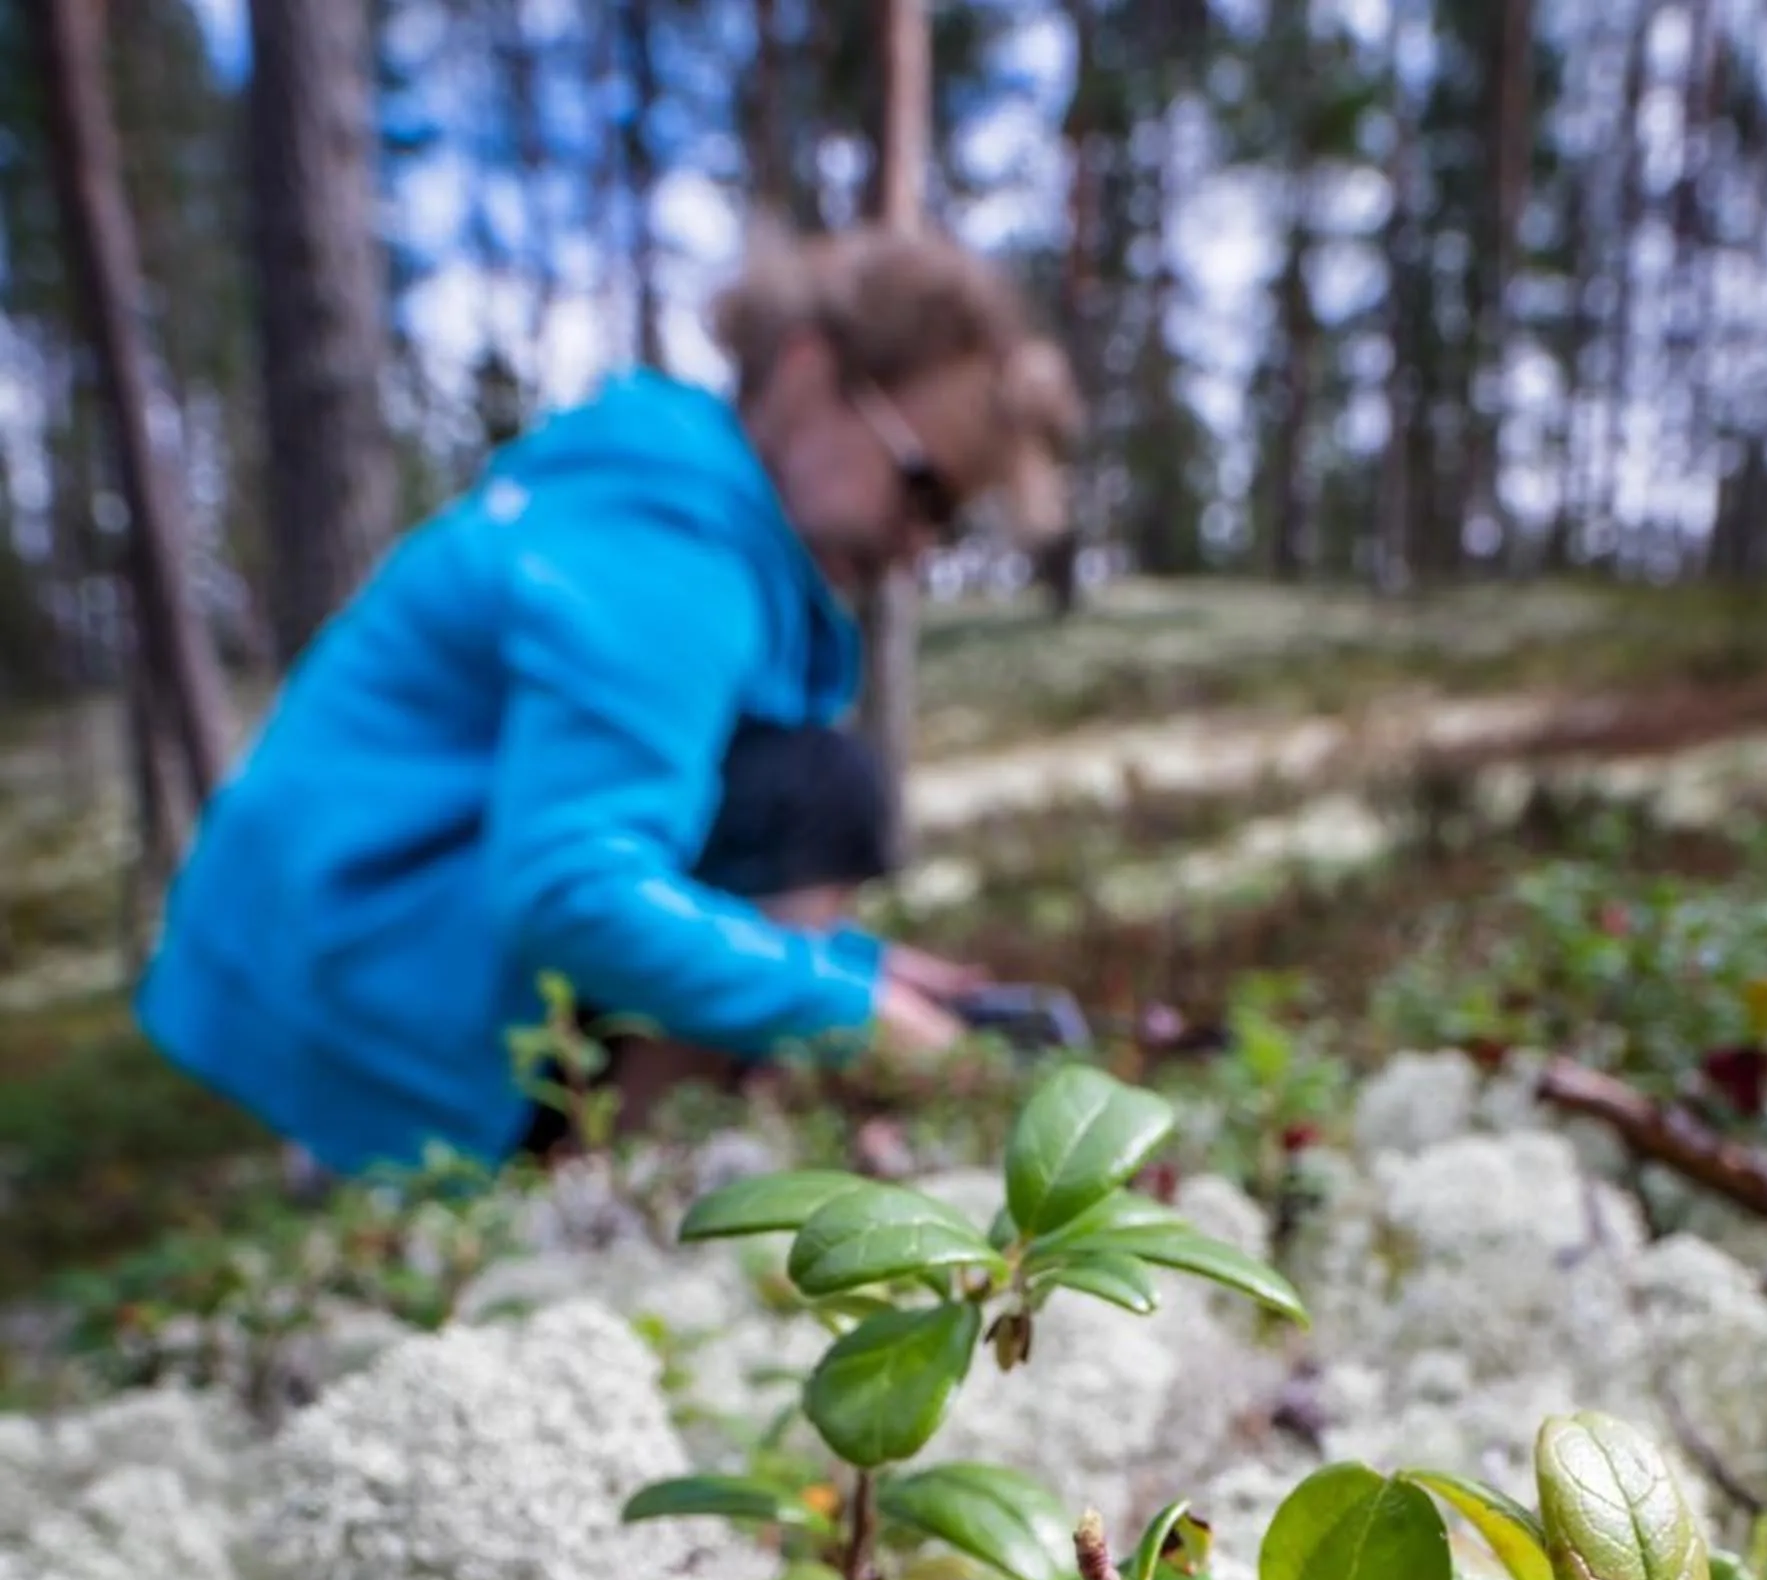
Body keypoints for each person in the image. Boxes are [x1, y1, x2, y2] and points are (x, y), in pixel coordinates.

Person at [136, 226, 1081, 1176]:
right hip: (366, 971)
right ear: (809, 371)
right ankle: (614, 1193)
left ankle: (613, 1171)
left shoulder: (663, 503)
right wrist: (854, 1014)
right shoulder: (670, 549)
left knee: (785, 787)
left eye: (950, 521)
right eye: (922, 488)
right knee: (810, 788)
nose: (917, 544)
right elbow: (570, 889)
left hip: (340, 950)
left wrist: (853, 970)